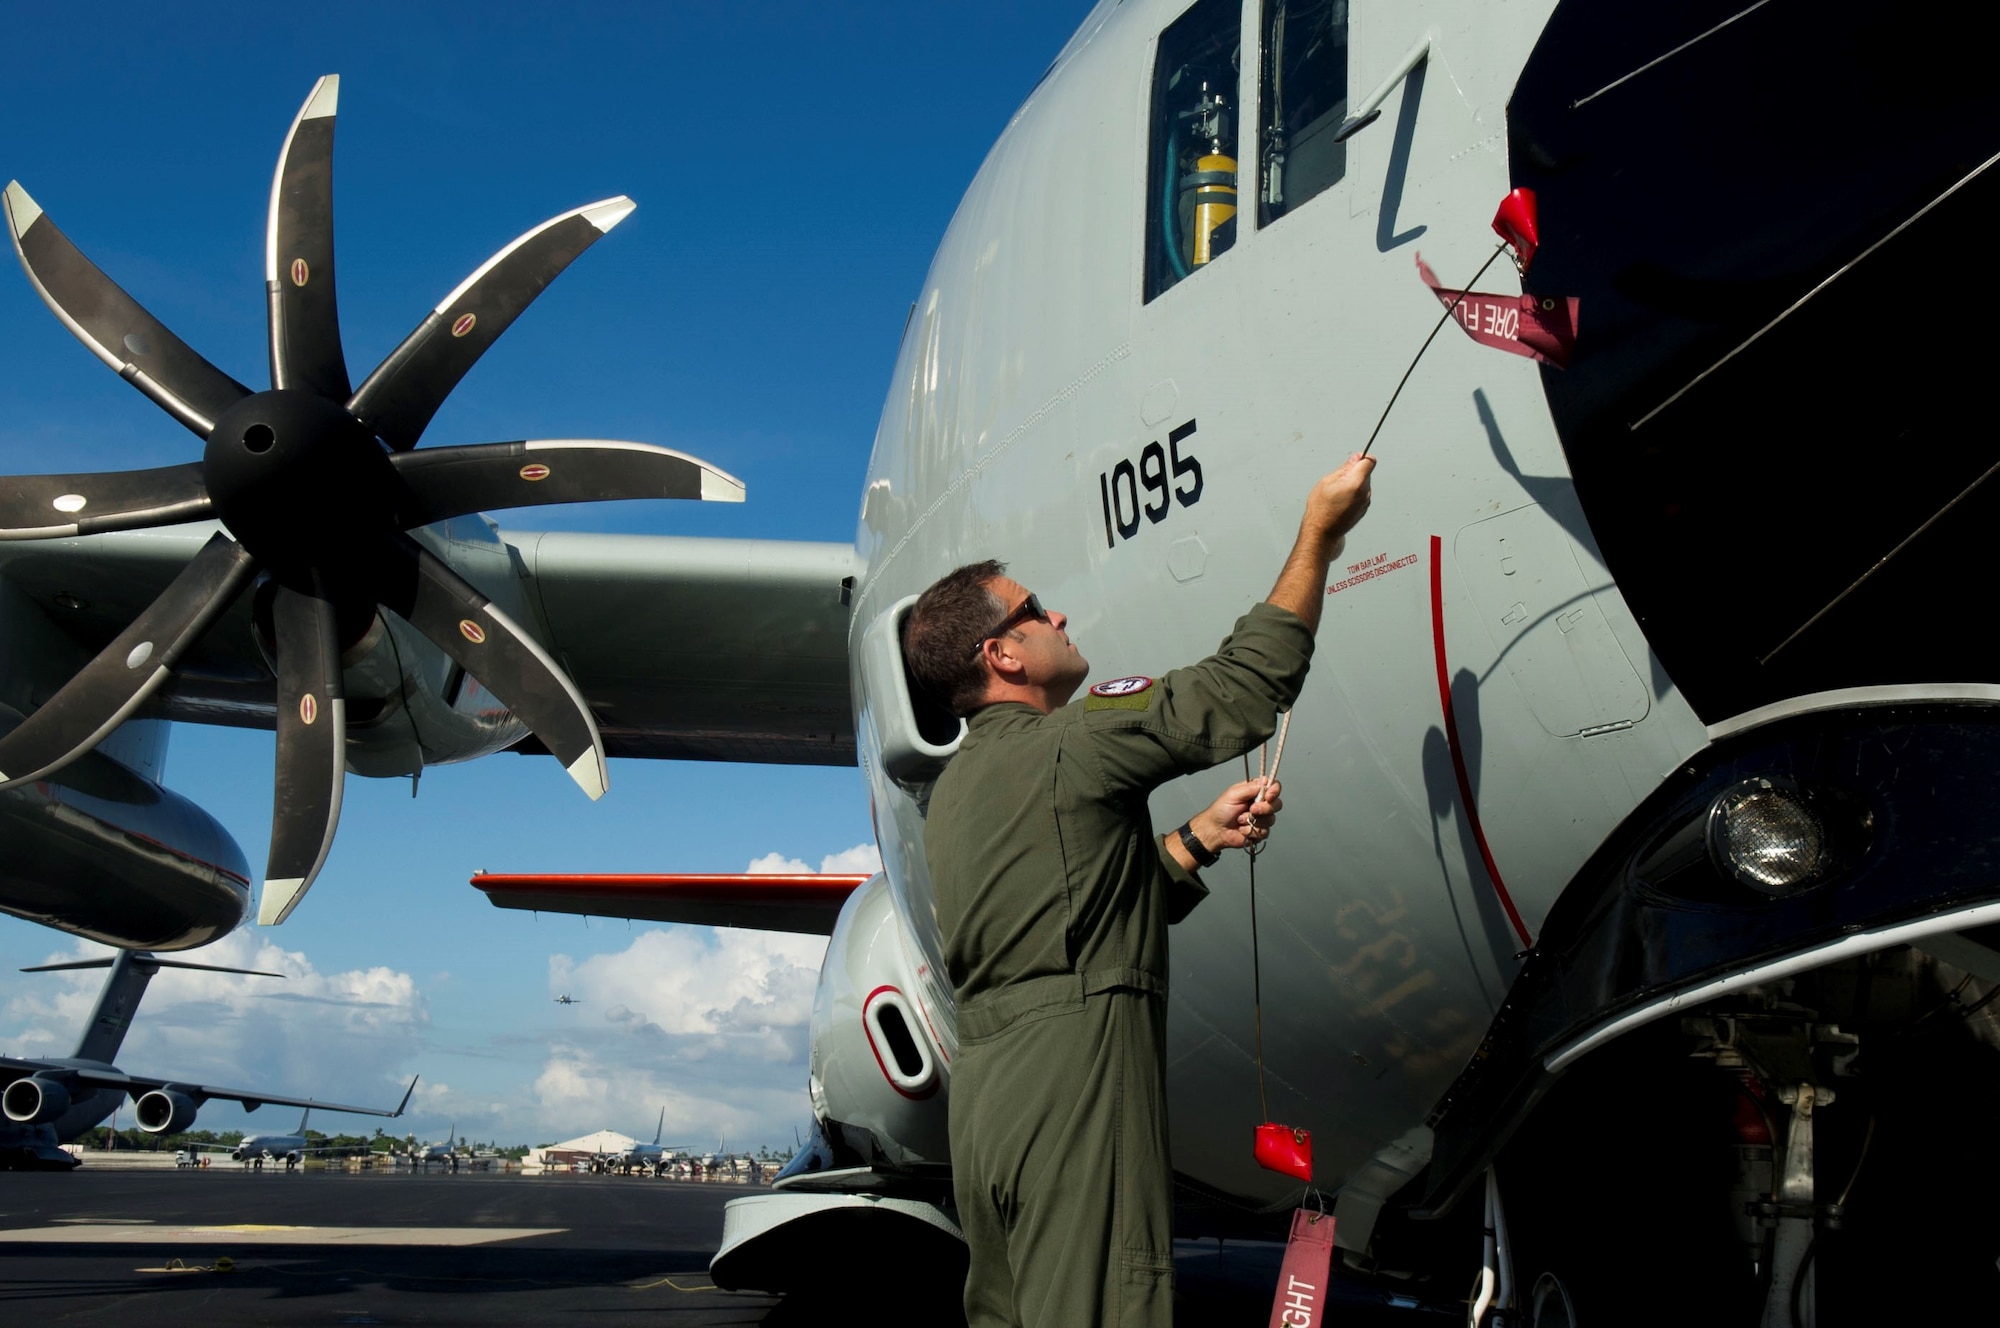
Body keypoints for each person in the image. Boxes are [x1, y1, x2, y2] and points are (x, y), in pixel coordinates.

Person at [902, 453, 1376, 1328]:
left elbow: (1069, 915)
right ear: (1002, 653)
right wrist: (1319, 535)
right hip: (1073, 1082)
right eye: (1037, 610)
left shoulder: (958, 790)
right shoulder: (1075, 741)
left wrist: (1196, 841)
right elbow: (1242, 691)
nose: (1060, 615)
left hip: (989, 1104)